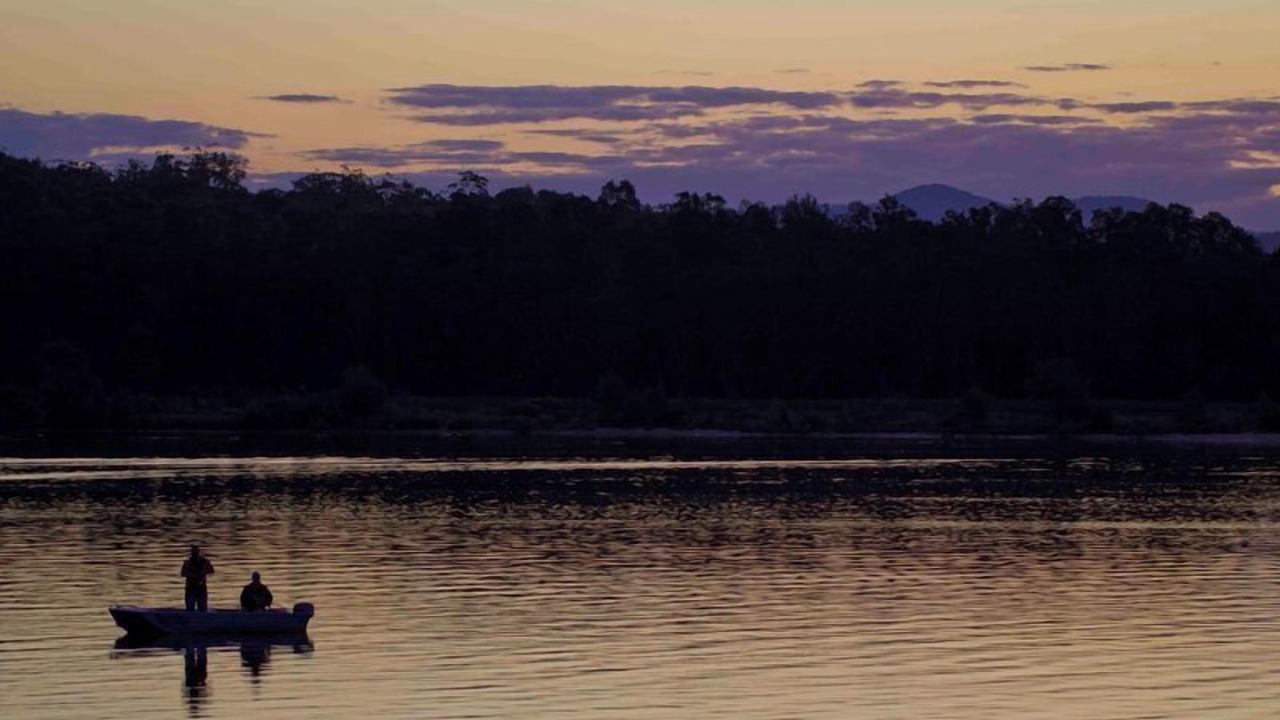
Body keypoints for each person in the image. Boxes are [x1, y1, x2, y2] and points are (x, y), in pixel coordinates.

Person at [180, 545, 215, 611]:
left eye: (195, 552)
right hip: (190, 587)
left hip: (201, 587)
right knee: (190, 607)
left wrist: (204, 571)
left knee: (202, 608)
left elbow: (211, 570)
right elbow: (183, 573)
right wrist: (193, 575)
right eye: (193, 552)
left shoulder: (205, 562)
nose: (194, 554)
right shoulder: (187, 563)